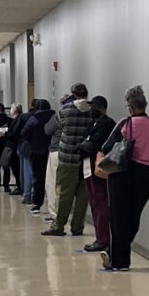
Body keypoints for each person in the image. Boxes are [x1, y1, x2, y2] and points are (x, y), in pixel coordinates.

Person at [99, 86, 149, 272]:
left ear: (130, 107)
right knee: (134, 216)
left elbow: (107, 146)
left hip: (123, 172)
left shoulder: (125, 123)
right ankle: (115, 253)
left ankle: (119, 260)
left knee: (118, 217)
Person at [44, 83, 95, 237]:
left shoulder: (66, 109)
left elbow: (55, 126)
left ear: (73, 94)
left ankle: (58, 226)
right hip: (85, 158)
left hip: (68, 157)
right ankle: (77, 227)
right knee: (83, 195)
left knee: (64, 193)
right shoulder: (92, 110)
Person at [79, 96, 116, 253]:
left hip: (100, 168)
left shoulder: (108, 124)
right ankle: (99, 237)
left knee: (101, 203)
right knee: (94, 202)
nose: (92, 109)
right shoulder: (92, 124)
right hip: (88, 166)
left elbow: (95, 144)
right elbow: (84, 143)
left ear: (103, 108)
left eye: (95, 106)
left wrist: (86, 145)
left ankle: (103, 239)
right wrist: (84, 145)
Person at [21, 99, 55, 213]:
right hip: (52, 151)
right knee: (53, 179)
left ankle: (37, 203)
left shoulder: (34, 119)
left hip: (37, 151)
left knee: (38, 178)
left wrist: (32, 141)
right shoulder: (54, 117)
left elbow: (24, 133)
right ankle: (54, 205)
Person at [42, 96, 68, 222]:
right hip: (71, 153)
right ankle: (64, 211)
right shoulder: (82, 115)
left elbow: (47, 130)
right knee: (66, 185)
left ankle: (54, 213)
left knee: (52, 183)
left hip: (56, 151)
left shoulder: (59, 116)